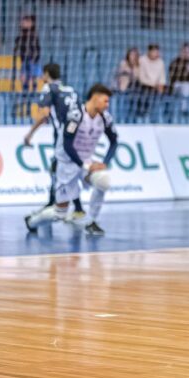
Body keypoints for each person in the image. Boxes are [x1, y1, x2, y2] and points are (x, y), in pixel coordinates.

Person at [25, 84, 118, 235]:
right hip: (67, 163)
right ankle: (32, 221)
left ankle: (91, 221)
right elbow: (68, 145)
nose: (107, 105)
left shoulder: (105, 118)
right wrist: (85, 166)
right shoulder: (76, 115)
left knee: (103, 181)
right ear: (95, 97)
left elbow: (114, 141)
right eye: (105, 101)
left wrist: (104, 163)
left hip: (85, 161)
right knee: (60, 213)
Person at [22, 64, 85, 225]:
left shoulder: (49, 88)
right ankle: (75, 208)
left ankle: (61, 206)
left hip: (62, 137)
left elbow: (44, 116)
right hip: (78, 133)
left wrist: (29, 134)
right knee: (63, 170)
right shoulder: (71, 89)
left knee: (59, 170)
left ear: (46, 73)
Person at [137, 44, 166, 118]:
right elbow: (142, 78)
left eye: (157, 52)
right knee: (146, 93)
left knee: (167, 92)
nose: (156, 54)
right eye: (154, 52)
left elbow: (162, 77)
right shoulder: (142, 60)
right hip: (145, 85)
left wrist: (161, 85)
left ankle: (162, 115)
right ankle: (143, 113)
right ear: (149, 52)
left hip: (157, 86)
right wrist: (153, 85)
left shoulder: (160, 62)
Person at [13, 14, 41, 91]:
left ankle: (33, 91)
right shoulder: (21, 34)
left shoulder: (33, 34)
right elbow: (17, 44)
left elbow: (36, 48)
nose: (22, 23)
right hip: (24, 59)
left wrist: (35, 58)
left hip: (32, 59)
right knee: (24, 76)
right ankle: (25, 92)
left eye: (25, 22)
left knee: (33, 76)